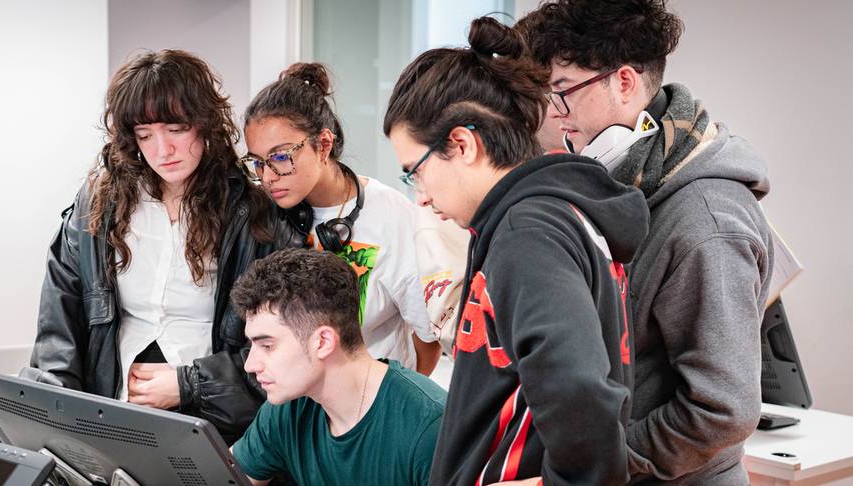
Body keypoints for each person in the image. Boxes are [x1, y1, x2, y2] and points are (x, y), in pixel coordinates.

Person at [384, 16, 649, 486]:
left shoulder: (528, 233)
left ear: (462, 144)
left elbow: (583, 396)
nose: (419, 196)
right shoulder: (548, 216)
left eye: (415, 171)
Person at [517, 1, 774, 483]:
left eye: (562, 93)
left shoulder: (706, 220)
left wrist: (598, 463)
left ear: (625, 82)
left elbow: (723, 412)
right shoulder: (621, 188)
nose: (554, 114)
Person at [24, 49, 301, 444]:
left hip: (214, 423)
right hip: (109, 412)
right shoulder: (98, 206)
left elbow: (283, 351)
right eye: (144, 135)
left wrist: (189, 385)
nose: (162, 150)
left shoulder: (251, 215)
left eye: (175, 129)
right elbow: (58, 336)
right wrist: (59, 423)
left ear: (205, 124)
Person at [239, 63, 443, 374]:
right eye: (258, 162)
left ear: (323, 145)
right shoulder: (261, 213)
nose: (268, 176)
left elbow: (428, 339)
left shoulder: (392, 216)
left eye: (281, 157)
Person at [229, 248, 446, 486]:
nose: (250, 365)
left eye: (267, 346)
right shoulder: (287, 408)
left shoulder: (429, 429)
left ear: (323, 342)